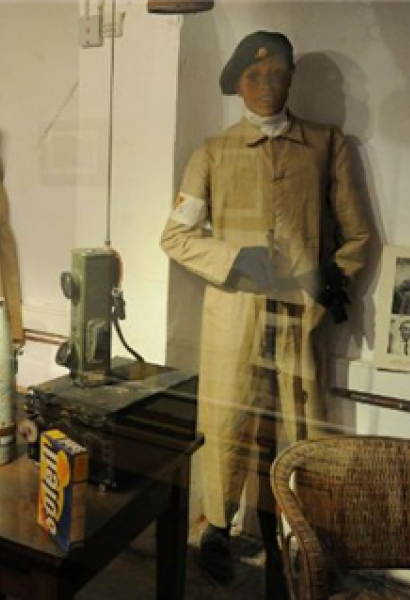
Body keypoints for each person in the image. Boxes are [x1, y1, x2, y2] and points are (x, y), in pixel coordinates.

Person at [160, 31, 369, 597]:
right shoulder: (212, 151)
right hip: (235, 315)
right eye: (254, 76)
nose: (267, 85)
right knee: (226, 422)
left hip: (301, 315)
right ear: (237, 84)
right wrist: (234, 259)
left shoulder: (325, 144)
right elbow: (176, 237)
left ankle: (304, 536)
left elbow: (357, 233)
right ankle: (217, 528)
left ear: (292, 77)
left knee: (304, 425)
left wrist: (335, 277)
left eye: (278, 72)